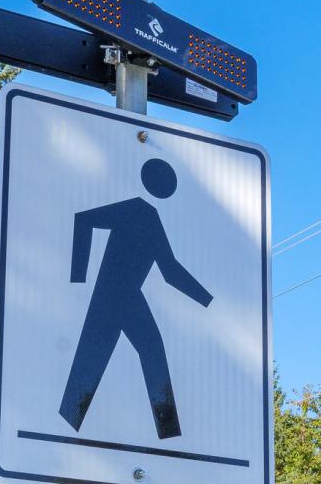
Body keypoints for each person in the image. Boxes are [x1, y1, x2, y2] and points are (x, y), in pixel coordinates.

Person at [58, 158, 212, 440]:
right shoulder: (135, 208)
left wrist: (207, 301)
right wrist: (77, 277)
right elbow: (85, 219)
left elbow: (170, 271)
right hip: (110, 292)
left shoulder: (152, 217)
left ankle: (169, 434)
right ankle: (66, 423)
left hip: (129, 296)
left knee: (149, 350)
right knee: (92, 358)